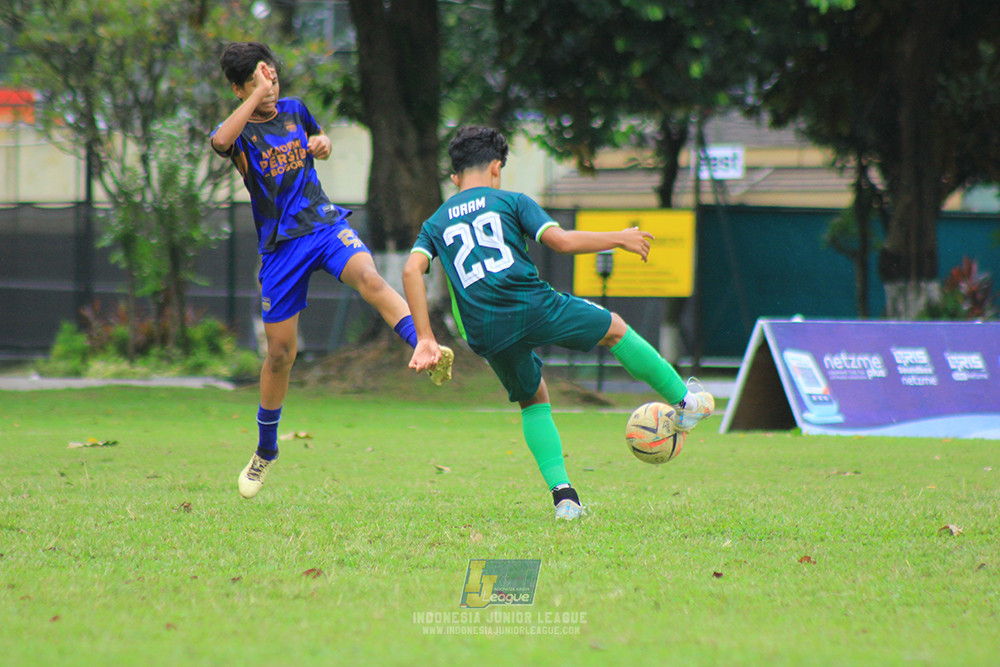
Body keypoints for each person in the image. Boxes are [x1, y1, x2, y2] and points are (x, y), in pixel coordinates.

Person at [403, 126, 712, 521]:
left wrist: (425, 338)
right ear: (496, 167)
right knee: (615, 328)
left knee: (533, 400)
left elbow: (412, 270)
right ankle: (686, 405)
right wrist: (618, 237)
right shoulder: (511, 201)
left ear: (454, 177)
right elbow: (561, 242)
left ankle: (565, 499)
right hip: (531, 304)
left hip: (483, 330)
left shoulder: (435, 223)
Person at [210, 42, 452, 499]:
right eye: (260, 81)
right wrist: (253, 97)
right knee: (281, 354)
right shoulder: (238, 130)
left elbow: (317, 142)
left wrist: (321, 143)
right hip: (281, 248)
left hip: (322, 225)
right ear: (240, 88)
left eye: (273, 76)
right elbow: (220, 142)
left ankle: (423, 343)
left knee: (370, 278)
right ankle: (266, 450)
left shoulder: (295, 110)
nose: (271, 85)